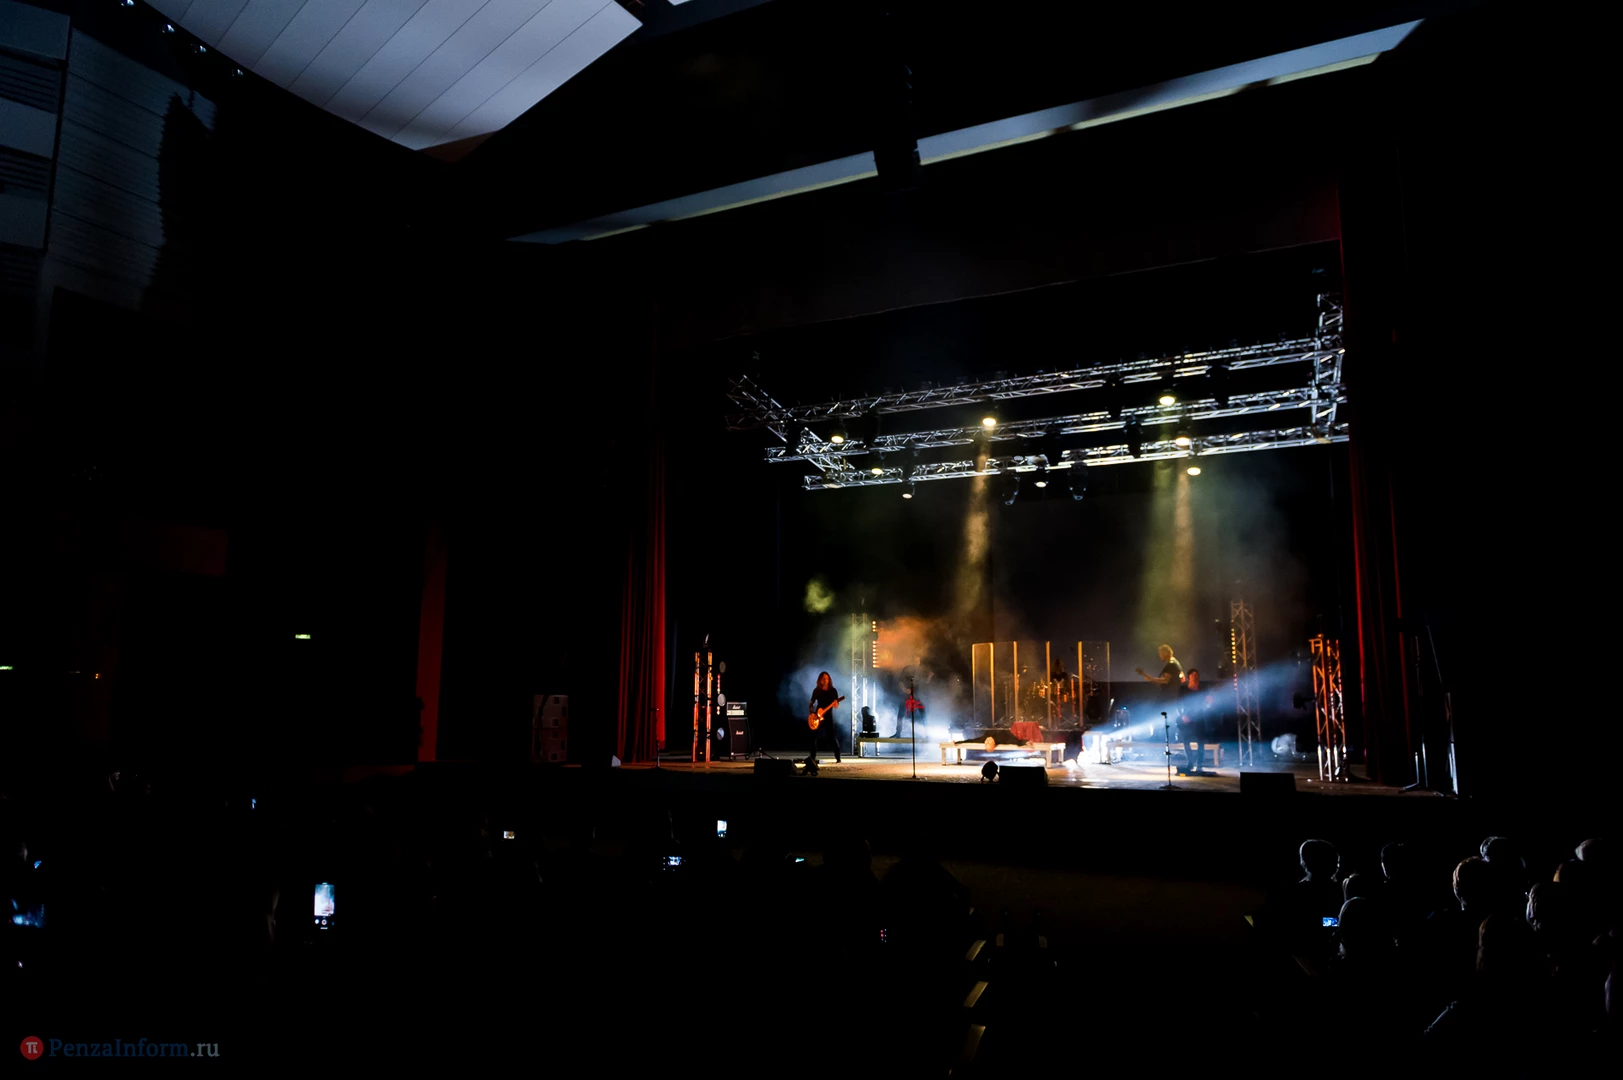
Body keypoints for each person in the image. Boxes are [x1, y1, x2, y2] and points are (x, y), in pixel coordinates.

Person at [1137, 645, 1193, 771]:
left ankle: (1159, 736)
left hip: (1169, 697)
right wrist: (1150, 678)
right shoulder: (1176, 663)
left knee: (1158, 715)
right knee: (1170, 718)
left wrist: (1151, 678)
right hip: (1172, 696)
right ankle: (1168, 736)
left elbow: (1166, 680)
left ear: (1165, 653)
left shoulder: (1171, 664)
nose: (1160, 656)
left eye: (1161, 654)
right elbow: (1180, 678)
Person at [806, 671, 842, 767]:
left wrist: (836, 704)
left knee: (832, 737)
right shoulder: (816, 690)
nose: (825, 680)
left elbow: (836, 705)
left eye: (827, 679)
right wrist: (811, 712)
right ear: (820, 680)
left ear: (829, 680)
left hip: (828, 717)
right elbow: (811, 702)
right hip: (817, 717)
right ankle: (812, 758)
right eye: (823, 679)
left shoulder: (833, 691)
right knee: (813, 737)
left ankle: (838, 758)